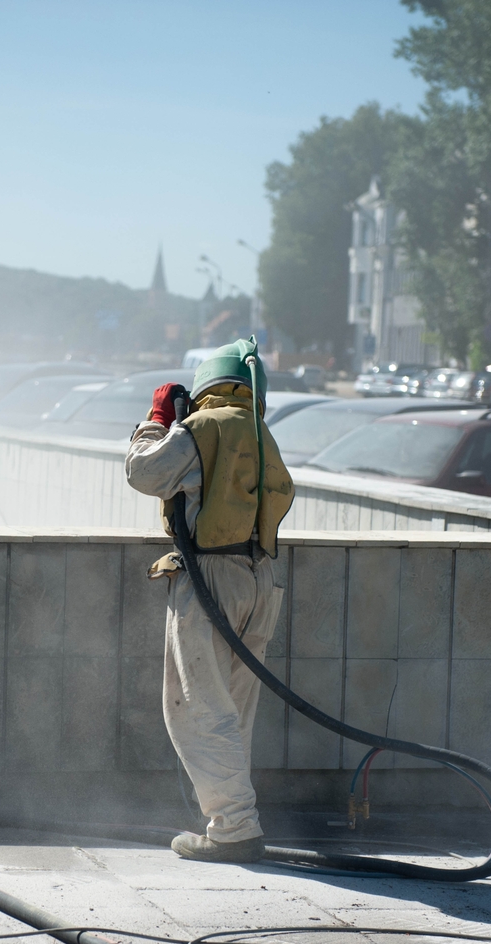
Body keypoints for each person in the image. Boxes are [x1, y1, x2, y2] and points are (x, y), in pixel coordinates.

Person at [124, 337, 295, 863]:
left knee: (198, 708)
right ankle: (229, 820)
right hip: (260, 580)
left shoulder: (204, 427)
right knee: (234, 711)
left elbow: (143, 473)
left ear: (207, 388)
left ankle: (234, 827)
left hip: (212, 577)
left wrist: (156, 422)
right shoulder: (262, 434)